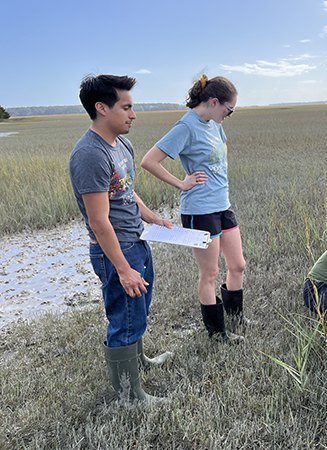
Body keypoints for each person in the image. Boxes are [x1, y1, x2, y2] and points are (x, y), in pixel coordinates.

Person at [69, 74, 174, 403]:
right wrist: (124, 269)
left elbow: (126, 192)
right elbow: (99, 222)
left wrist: (153, 217)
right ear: (101, 108)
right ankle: (131, 397)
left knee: (137, 310)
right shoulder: (90, 155)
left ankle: (138, 362)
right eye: (126, 107)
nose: (133, 114)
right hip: (115, 251)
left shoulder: (122, 144)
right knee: (124, 317)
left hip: (136, 240)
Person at [141, 74, 249, 344]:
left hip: (222, 205)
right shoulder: (186, 126)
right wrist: (182, 182)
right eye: (229, 109)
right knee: (210, 273)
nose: (230, 115)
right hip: (200, 210)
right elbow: (149, 161)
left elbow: (220, 151)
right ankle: (217, 333)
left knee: (238, 265)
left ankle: (235, 316)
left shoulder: (214, 124)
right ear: (214, 102)